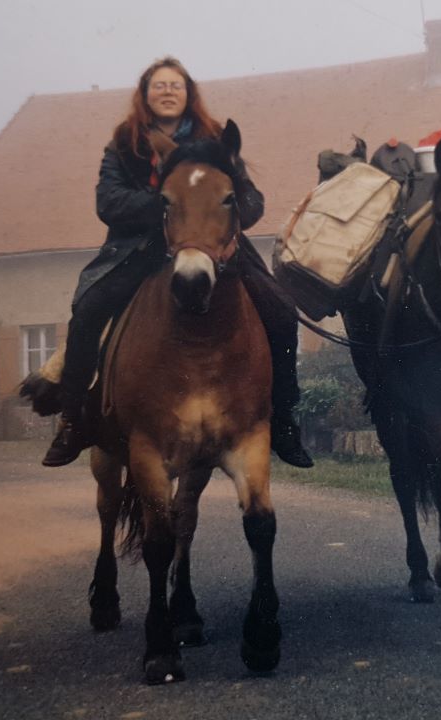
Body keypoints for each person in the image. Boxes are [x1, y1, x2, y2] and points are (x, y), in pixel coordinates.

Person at [41, 56, 312, 469]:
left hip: (214, 248)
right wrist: (167, 206)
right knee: (89, 311)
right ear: (145, 94)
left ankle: (284, 419)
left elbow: (251, 200)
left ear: (189, 94)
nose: (167, 92)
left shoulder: (215, 140)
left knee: (281, 310)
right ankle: (74, 419)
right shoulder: (124, 143)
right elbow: (108, 202)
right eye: (159, 85)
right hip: (139, 249)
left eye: (175, 85)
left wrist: (224, 210)